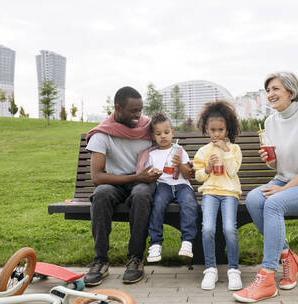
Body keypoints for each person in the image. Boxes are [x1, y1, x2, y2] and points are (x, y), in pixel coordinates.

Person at [233, 72, 298, 303]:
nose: (270, 94)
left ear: (291, 92)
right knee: (253, 199)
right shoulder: (270, 122)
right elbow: (278, 164)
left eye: (275, 89)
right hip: (285, 180)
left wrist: (285, 189)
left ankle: (267, 276)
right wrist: (269, 160)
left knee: (273, 203)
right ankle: (288, 256)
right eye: (268, 90)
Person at [83, 86, 161, 286]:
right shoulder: (103, 134)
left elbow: (167, 142)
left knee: (142, 195)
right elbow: (98, 177)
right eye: (133, 110)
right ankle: (100, 261)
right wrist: (135, 176)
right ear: (118, 108)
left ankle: (135, 259)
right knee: (101, 194)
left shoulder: (148, 128)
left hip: (142, 182)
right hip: (116, 182)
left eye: (140, 110)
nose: (138, 115)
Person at [193, 100, 243, 291]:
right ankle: (210, 269)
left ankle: (233, 270)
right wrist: (207, 167)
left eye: (220, 130)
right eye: (213, 130)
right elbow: (198, 177)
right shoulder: (204, 151)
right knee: (207, 229)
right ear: (206, 129)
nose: (216, 134)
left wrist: (225, 151)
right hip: (211, 194)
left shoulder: (234, 150)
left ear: (227, 130)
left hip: (229, 193)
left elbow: (232, 171)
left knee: (230, 228)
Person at [144, 112, 198, 262]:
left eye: (166, 132)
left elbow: (188, 175)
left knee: (189, 203)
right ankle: (155, 244)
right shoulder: (152, 154)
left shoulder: (179, 150)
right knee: (158, 204)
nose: (163, 136)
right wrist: (153, 172)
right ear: (153, 136)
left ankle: (187, 242)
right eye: (159, 133)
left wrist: (179, 164)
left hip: (182, 185)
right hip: (163, 185)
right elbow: (148, 172)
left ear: (172, 133)